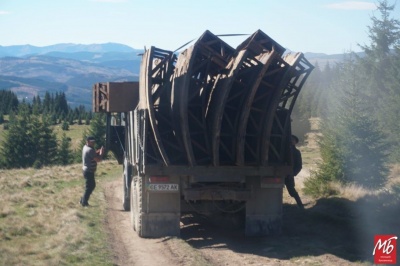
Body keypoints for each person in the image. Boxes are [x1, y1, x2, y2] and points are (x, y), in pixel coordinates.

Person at [80, 136, 104, 207]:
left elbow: (92, 154)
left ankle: (83, 199)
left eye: (94, 141)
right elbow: (98, 159)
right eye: (92, 142)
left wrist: (97, 151)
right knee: (90, 187)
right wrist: (101, 153)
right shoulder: (90, 150)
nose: (93, 143)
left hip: (86, 170)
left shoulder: (85, 147)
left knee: (90, 186)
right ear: (88, 141)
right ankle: (84, 202)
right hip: (89, 171)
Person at [285, 135, 304, 209]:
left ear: (295, 142)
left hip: (289, 174)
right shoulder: (283, 150)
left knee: (292, 192)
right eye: (290, 139)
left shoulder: (296, 152)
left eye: (293, 140)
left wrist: (293, 173)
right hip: (284, 173)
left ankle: (301, 206)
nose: (291, 141)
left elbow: (299, 166)